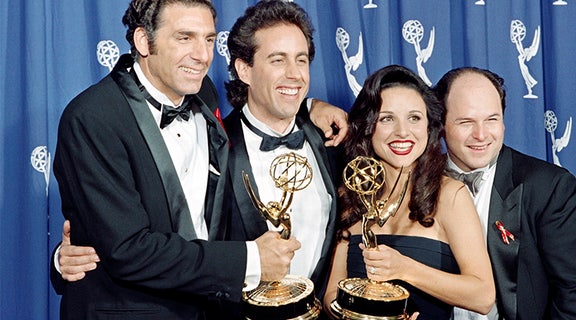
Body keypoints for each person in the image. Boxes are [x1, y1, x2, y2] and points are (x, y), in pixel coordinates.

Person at [51, 0, 300, 318]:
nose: (203, 55)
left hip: (207, 308)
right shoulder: (92, 117)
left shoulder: (204, 92)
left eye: (208, 39)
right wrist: (251, 259)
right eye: (185, 38)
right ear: (144, 41)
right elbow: (128, 250)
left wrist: (312, 111)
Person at [323, 65, 495, 320]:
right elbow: (330, 297)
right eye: (386, 118)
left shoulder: (449, 195)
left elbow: (483, 297)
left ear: (429, 126)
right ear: (368, 126)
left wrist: (405, 268)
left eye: (414, 118)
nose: (403, 132)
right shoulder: (350, 195)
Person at [433, 66, 576, 319]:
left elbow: (575, 295)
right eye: (466, 122)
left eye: (492, 119)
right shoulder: (417, 183)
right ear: (440, 125)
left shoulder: (549, 187)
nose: (481, 134)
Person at [220, 0, 343, 317]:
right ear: (244, 69)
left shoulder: (330, 139)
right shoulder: (213, 147)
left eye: (301, 61)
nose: (294, 74)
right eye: (278, 60)